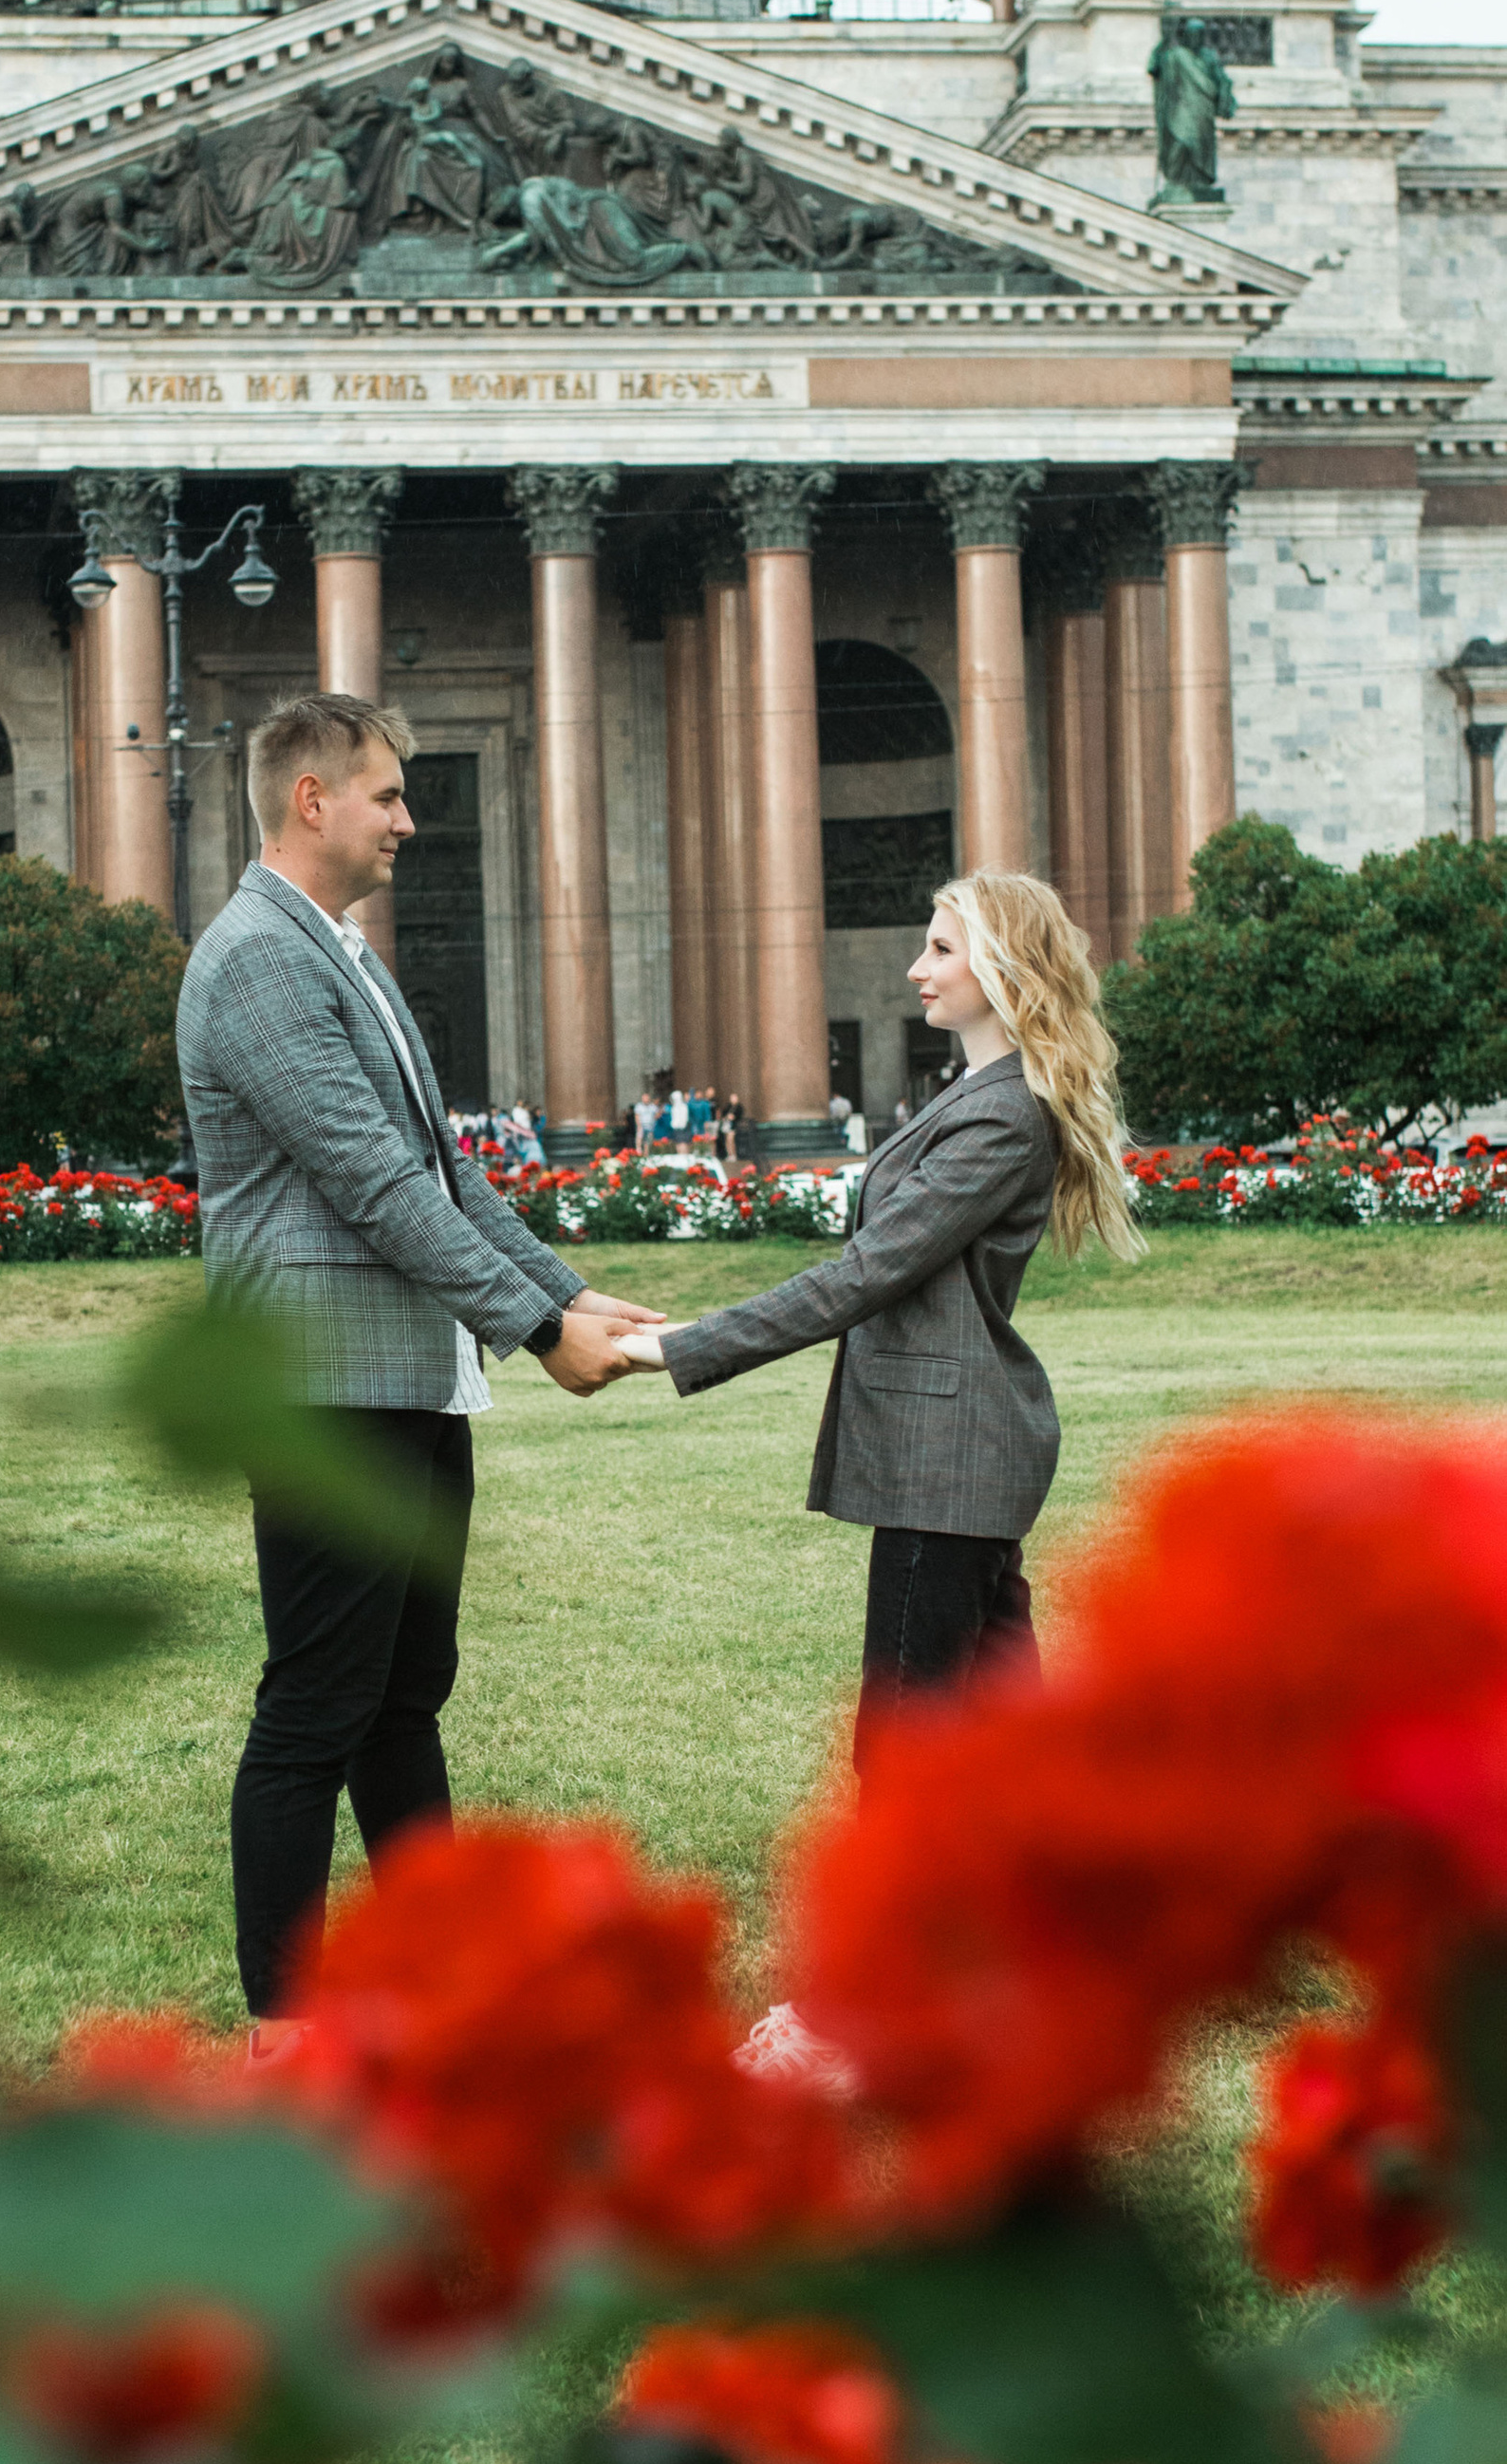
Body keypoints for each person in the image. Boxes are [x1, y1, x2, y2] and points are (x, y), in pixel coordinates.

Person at [176, 694, 657, 2041]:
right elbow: (376, 1186)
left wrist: (565, 1291)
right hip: (324, 1387)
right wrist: (535, 1329)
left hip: (402, 1379)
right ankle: (283, 2029)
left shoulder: (346, 956)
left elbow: (445, 1176)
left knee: (401, 1700)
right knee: (315, 1709)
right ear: (312, 800)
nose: (408, 818)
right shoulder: (259, 958)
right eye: (387, 794)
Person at [612, 872, 1142, 1765]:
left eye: (940, 949)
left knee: (902, 1743)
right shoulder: (980, 1093)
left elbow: (864, 1276)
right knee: (1020, 1741)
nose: (914, 970)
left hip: (952, 1456)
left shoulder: (1003, 1115)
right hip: (959, 1450)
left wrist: (683, 1346)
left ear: (1004, 968)